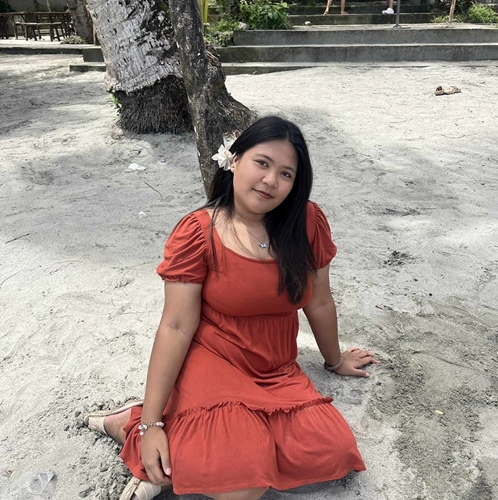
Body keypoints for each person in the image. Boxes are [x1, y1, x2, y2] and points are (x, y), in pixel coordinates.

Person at [84, 116, 379, 500]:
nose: (271, 180)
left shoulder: (307, 222)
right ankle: (135, 424)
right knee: (243, 483)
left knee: (332, 452)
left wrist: (335, 360)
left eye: (286, 174)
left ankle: (181, 435)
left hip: (275, 368)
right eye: (262, 163)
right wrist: (151, 424)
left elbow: (319, 302)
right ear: (234, 160)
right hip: (214, 359)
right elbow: (175, 326)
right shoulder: (198, 232)